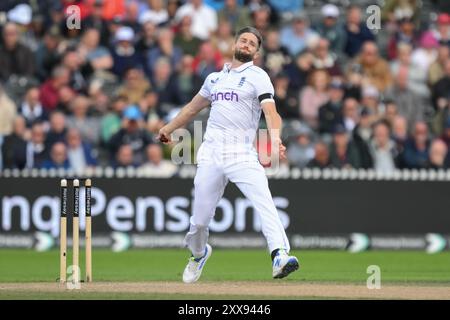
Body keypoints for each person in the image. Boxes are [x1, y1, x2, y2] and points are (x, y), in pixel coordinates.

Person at [157, 27, 299, 283]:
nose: (246, 45)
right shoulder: (214, 78)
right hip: (211, 152)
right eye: (243, 40)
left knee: (264, 201)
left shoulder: (259, 76)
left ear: (256, 52)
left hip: (241, 153)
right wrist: (168, 128)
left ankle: (280, 255)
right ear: (234, 44)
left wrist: (275, 137)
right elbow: (191, 108)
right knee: (200, 221)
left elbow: (271, 112)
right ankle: (199, 254)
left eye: (252, 43)